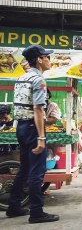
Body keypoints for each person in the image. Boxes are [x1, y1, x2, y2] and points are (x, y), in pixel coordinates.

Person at [7, 44, 59, 223]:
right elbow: (38, 109)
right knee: (37, 171)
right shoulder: (39, 80)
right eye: (47, 57)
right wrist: (41, 137)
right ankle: (36, 211)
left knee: (25, 168)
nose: (49, 60)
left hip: (21, 127)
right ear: (39, 59)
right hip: (32, 128)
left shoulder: (21, 78)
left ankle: (14, 206)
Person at [42, 89, 62, 196]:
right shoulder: (34, 104)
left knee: (48, 158)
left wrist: (40, 119)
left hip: (48, 134)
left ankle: (46, 186)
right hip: (34, 132)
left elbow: (54, 119)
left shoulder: (53, 106)